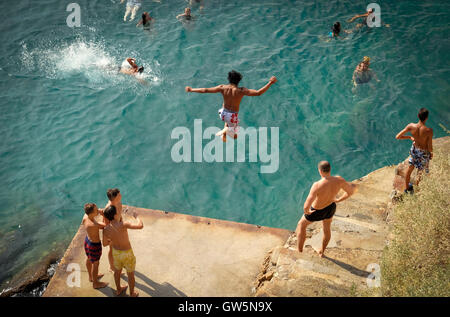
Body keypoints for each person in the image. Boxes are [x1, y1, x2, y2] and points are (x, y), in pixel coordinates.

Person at [185, 71, 277, 142]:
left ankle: (225, 132)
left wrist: (191, 89)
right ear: (239, 81)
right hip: (232, 116)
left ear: (229, 79)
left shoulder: (222, 87)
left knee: (227, 120)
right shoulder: (241, 91)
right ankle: (225, 131)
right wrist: (270, 83)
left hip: (222, 113)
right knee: (235, 136)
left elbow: (205, 90)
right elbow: (258, 93)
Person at [296, 161, 356, 257]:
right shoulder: (339, 180)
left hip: (316, 211)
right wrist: (338, 200)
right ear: (330, 169)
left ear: (320, 171)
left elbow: (306, 205)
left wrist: (307, 211)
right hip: (330, 207)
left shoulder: (317, 185)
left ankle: (299, 251)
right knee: (326, 229)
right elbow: (350, 192)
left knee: (301, 225)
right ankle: (322, 252)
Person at [103, 205, 144, 297]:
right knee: (130, 274)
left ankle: (118, 289)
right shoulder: (123, 224)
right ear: (114, 215)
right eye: (117, 212)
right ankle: (132, 293)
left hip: (116, 253)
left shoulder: (106, 229)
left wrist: (113, 239)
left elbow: (105, 244)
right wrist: (136, 216)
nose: (119, 213)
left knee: (117, 272)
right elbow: (140, 226)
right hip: (127, 253)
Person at [395, 108, 433, 194]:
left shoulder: (411, 126)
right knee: (420, 171)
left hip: (415, 150)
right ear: (426, 118)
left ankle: (407, 188)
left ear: (418, 116)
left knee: (410, 168)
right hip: (423, 152)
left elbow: (398, 136)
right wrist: (431, 153)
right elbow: (430, 147)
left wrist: (409, 137)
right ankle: (416, 190)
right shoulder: (428, 131)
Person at [82, 203, 108, 289]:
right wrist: (103, 215)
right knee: (96, 264)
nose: (98, 210)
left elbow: (93, 220)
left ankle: (91, 277)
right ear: (91, 213)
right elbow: (106, 226)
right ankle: (95, 283)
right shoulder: (94, 225)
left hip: (87, 241)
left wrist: (97, 213)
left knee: (89, 259)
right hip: (94, 245)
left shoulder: (86, 217)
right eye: (96, 210)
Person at [101, 188, 124, 272]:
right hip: (111, 231)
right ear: (114, 197)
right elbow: (106, 223)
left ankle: (118, 262)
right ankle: (111, 266)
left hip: (118, 227)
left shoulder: (119, 203)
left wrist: (121, 224)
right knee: (112, 249)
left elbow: (120, 215)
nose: (121, 196)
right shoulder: (109, 208)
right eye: (119, 195)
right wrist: (110, 237)